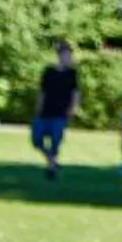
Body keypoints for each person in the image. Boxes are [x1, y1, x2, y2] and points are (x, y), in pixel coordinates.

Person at [31, 42, 78, 180]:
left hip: (61, 113)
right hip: (45, 111)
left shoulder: (72, 73)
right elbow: (42, 91)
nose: (68, 58)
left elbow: (75, 92)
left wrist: (72, 108)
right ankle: (53, 161)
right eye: (66, 55)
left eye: (69, 55)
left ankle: (52, 169)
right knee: (37, 140)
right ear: (59, 56)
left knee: (55, 140)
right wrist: (38, 108)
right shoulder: (49, 71)